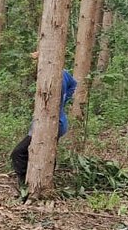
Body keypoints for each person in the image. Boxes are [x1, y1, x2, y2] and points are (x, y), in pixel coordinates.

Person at [10, 52, 77, 187]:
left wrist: (62, 101)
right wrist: (64, 100)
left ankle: (25, 184)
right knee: (47, 151)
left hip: (52, 124)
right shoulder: (62, 73)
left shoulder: (52, 77)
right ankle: (39, 180)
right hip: (58, 122)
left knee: (18, 153)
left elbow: (72, 85)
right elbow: (74, 84)